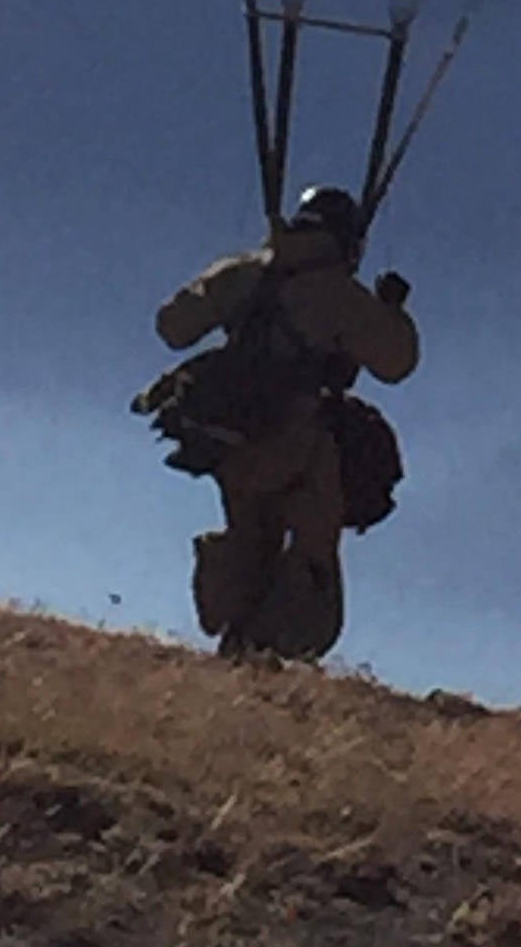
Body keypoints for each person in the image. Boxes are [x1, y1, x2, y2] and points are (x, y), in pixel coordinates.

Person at [148, 184, 418, 660]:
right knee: (312, 553)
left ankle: (234, 635)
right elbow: (396, 362)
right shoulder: (338, 293)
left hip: (232, 437)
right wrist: (391, 309)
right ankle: (270, 649)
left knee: (251, 537)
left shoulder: (246, 271)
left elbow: (173, 326)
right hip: (298, 439)